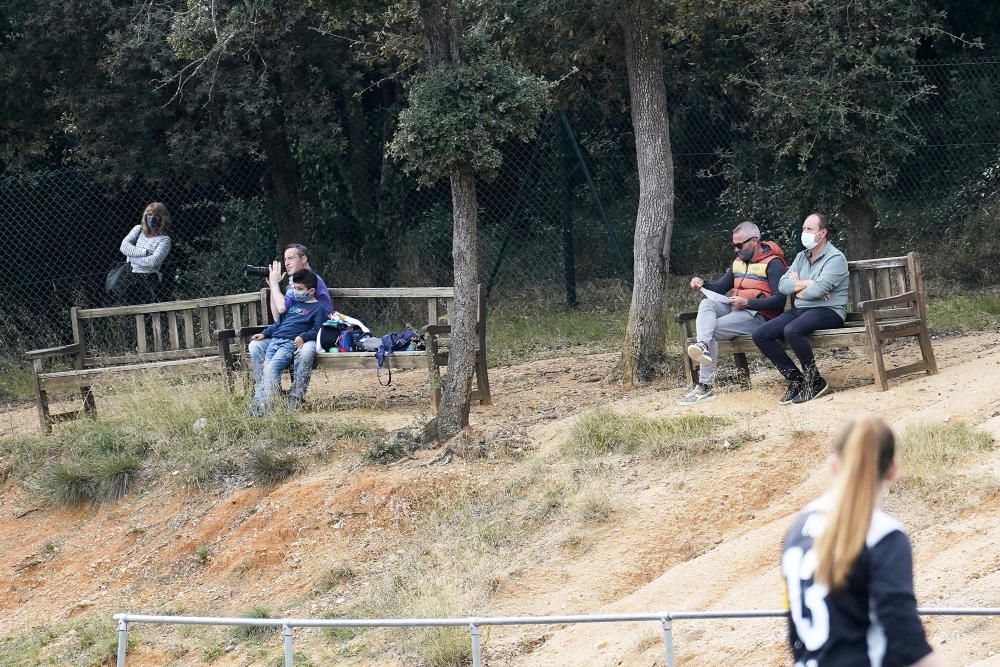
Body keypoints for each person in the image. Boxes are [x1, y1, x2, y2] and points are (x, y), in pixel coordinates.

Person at [782, 415, 942, 667]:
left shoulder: (797, 528)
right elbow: (905, 641)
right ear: (892, 469)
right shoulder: (883, 535)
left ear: (833, 465)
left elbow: (794, 632)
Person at [679, 221, 787, 405]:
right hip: (737, 307)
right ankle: (703, 345)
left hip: (759, 316)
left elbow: (780, 300)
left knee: (710, 329)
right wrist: (702, 283)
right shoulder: (738, 263)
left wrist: (749, 302)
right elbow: (720, 288)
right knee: (707, 304)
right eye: (734, 246)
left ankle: (705, 387)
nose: (736, 250)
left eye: (739, 245)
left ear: (754, 241)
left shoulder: (774, 263)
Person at [751, 213, 849, 405]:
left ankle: (815, 381)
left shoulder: (835, 258)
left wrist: (800, 290)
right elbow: (783, 286)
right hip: (802, 310)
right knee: (761, 334)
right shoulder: (801, 257)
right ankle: (796, 380)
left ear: (823, 233)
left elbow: (817, 291)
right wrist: (808, 284)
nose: (804, 232)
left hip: (829, 310)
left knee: (792, 330)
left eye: (809, 229)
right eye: (803, 228)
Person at [248, 243, 333, 408]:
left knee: (307, 350)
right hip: (286, 334)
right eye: (285, 259)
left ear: (303, 259)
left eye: (291, 258)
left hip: (311, 333)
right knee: (255, 346)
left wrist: (274, 284)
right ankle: (267, 391)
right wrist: (274, 287)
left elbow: (282, 308)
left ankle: (296, 397)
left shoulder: (311, 281)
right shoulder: (294, 284)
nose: (286, 263)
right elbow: (279, 315)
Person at [119, 202, 172, 304]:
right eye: (149, 214)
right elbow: (123, 247)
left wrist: (131, 256)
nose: (152, 218)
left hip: (149, 281)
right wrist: (145, 252)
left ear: (163, 218)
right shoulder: (138, 230)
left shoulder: (165, 240)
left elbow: (153, 262)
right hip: (130, 277)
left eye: (156, 215)